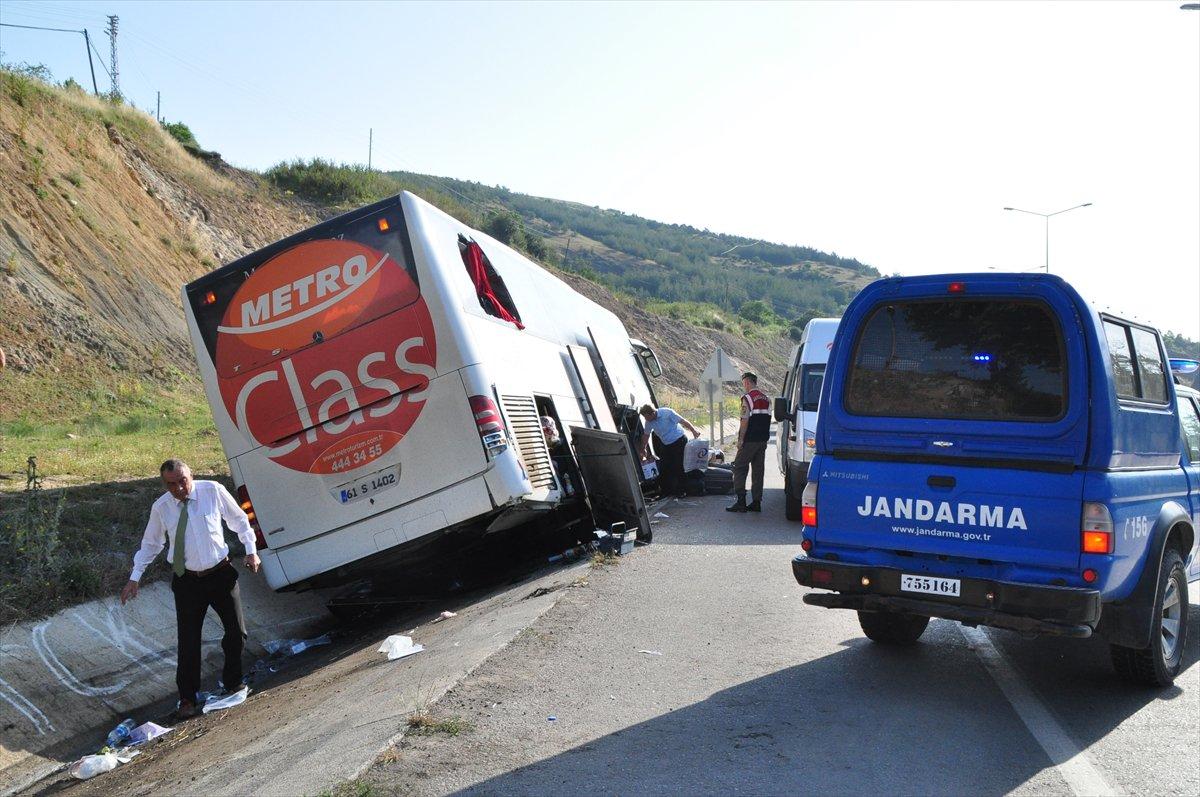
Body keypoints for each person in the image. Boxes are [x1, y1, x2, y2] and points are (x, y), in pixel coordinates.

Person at [120, 459, 261, 719]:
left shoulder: (212, 490)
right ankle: (187, 698)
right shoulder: (161, 507)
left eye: (182, 481)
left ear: (191, 476)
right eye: (171, 485)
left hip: (220, 573)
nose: (179, 489)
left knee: (236, 632)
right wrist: (135, 577)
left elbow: (239, 520)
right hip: (187, 581)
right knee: (188, 641)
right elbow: (151, 544)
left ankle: (232, 682)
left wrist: (251, 551)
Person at [727, 372, 772, 512]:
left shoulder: (747, 398)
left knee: (739, 467)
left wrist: (741, 439)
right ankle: (756, 502)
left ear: (747, 382)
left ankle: (741, 502)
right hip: (762, 440)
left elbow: (744, 420)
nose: (744, 386)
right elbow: (769, 418)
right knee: (758, 471)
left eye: (744, 383)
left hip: (750, 440)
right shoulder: (767, 399)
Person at [637, 404, 700, 497]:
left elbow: (683, 421)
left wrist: (693, 431)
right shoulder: (649, 422)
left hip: (679, 441)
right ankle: (665, 491)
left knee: (679, 466)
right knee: (664, 467)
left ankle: (682, 491)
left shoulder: (667, 412)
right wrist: (643, 449)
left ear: (652, 413)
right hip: (666, 444)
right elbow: (646, 435)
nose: (646, 419)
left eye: (646, 417)